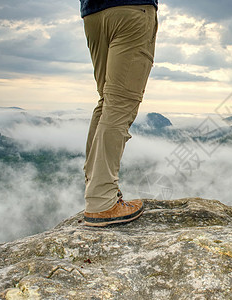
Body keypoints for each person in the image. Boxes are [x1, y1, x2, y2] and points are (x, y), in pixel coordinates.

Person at [79, 0, 158, 226]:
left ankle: (97, 187)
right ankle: (102, 202)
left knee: (107, 100)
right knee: (120, 104)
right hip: (131, 10)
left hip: (92, 14)